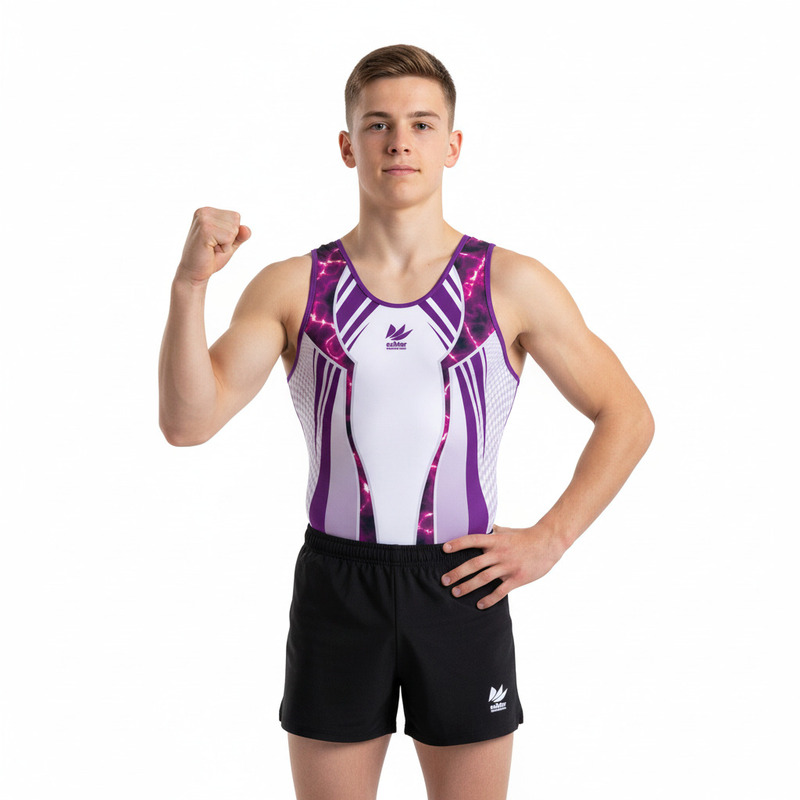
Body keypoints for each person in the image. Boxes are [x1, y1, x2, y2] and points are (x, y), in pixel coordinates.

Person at [158, 44, 654, 800]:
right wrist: (190, 286)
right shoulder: (293, 286)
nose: (399, 142)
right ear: (347, 145)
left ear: (452, 145)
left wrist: (550, 539)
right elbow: (188, 422)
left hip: (461, 581)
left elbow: (627, 414)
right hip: (338, 584)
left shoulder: (511, 283)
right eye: (378, 124)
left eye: (422, 124)